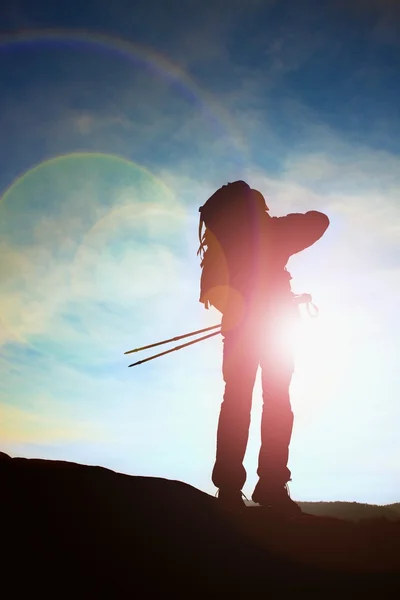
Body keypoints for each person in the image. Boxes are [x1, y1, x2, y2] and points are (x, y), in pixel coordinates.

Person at [199, 182, 329, 516]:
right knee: (276, 402)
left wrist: (240, 309)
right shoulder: (273, 232)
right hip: (275, 330)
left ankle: (228, 488)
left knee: (236, 402)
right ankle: (271, 484)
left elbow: (212, 294)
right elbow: (319, 221)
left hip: (240, 332)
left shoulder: (220, 244)